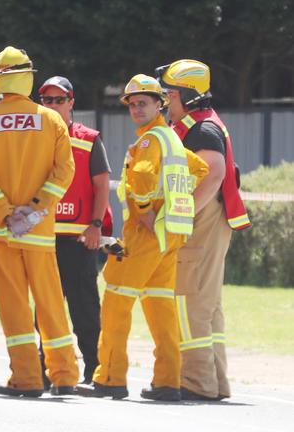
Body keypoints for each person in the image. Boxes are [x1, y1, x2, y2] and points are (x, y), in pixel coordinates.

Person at [87, 74, 209, 401]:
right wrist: (172, 205)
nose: (137, 109)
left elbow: (141, 175)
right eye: (132, 104)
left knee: (116, 301)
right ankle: (167, 381)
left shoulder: (148, 141)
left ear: (160, 104)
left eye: (144, 103)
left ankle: (110, 377)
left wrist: (144, 208)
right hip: (169, 237)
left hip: (144, 236)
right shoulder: (171, 138)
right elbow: (199, 170)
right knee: (160, 308)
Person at [0, 46, 79, 397]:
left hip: (2, 231)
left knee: (15, 308)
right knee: (50, 303)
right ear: (28, 78)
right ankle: (64, 376)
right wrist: (35, 208)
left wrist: (5, 212)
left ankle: (27, 378)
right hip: (39, 231)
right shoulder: (52, 120)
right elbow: (65, 171)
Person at [157, 59, 251, 400]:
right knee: (207, 304)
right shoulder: (199, 124)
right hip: (213, 219)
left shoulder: (201, 129)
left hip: (204, 219)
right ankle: (215, 380)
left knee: (190, 298)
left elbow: (213, 174)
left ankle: (197, 383)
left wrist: (181, 215)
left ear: (188, 96)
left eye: (169, 95)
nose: (166, 102)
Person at [37, 76, 112, 385]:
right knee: (44, 310)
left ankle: (96, 370)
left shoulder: (88, 138)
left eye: (59, 100)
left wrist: (96, 225)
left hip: (79, 238)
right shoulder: (35, 137)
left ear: (71, 102)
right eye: (47, 101)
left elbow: (101, 184)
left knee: (85, 309)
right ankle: (44, 371)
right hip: (42, 238)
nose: (53, 105)